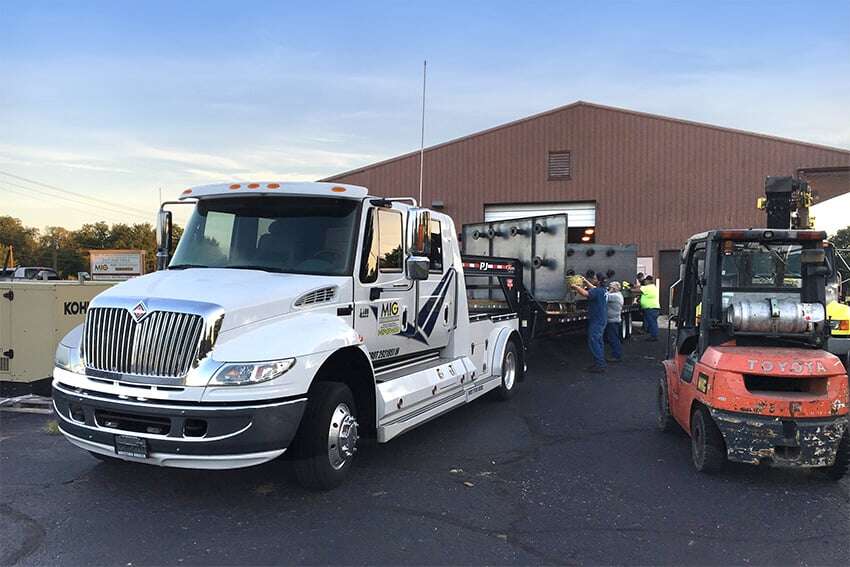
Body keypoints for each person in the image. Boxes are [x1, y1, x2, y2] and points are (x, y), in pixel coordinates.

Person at [571, 273, 608, 373]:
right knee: (599, 341)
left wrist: (575, 286)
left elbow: (585, 294)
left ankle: (600, 365)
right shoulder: (603, 290)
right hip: (601, 319)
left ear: (599, 281)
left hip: (597, 320)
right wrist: (585, 281)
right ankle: (600, 362)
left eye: (595, 278)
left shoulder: (597, 291)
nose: (593, 279)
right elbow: (593, 288)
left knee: (594, 341)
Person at [634, 275, 660, 341]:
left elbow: (636, 290)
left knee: (652, 323)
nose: (644, 281)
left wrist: (629, 288)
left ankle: (654, 336)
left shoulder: (648, 288)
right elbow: (640, 287)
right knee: (653, 322)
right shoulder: (653, 287)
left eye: (645, 280)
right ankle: (654, 334)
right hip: (654, 307)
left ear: (648, 281)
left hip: (650, 308)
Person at [605, 281, 624, 362]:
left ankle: (616, 356)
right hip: (615, 320)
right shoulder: (618, 295)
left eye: (610, 286)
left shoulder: (615, 296)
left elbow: (603, 296)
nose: (609, 288)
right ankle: (617, 354)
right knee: (615, 338)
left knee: (613, 339)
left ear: (615, 288)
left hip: (612, 321)